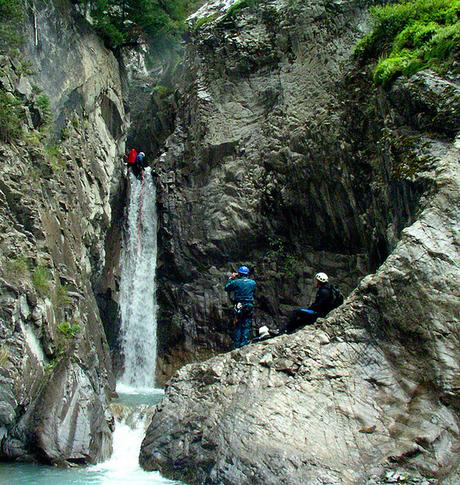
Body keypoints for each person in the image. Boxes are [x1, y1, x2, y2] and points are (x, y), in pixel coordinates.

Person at [224, 266, 256, 349]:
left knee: (238, 324)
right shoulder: (253, 283)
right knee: (247, 323)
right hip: (249, 305)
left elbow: (226, 287)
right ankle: (244, 343)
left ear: (239, 273)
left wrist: (231, 278)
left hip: (239, 305)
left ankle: (237, 345)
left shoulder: (236, 282)